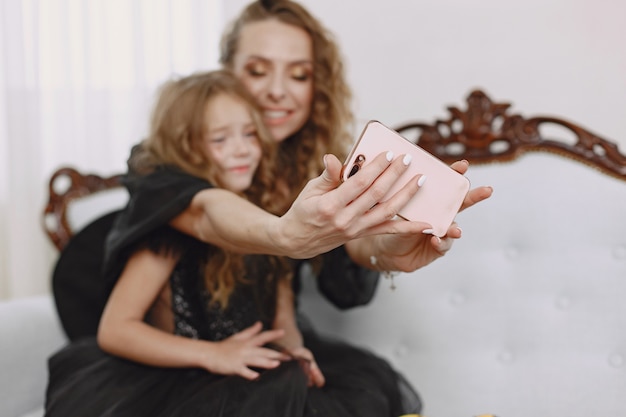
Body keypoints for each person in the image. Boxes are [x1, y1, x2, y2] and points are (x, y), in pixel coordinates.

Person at [45, 69, 424, 416]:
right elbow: (116, 330)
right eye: (220, 139)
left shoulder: (270, 217)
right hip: (181, 381)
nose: (241, 149)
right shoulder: (170, 229)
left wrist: (294, 349)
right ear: (187, 148)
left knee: (332, 389)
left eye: (249, 134)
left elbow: (282, 319)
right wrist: (214, 355)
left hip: (252, 375)